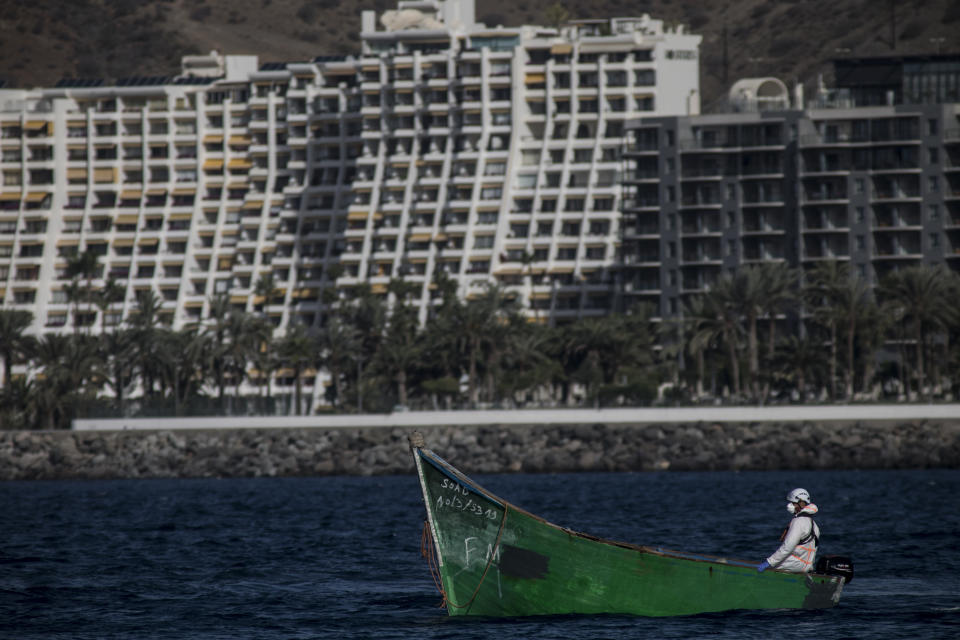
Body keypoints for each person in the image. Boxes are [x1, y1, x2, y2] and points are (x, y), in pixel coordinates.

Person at [757, 488, 820, 574]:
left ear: (800, 503)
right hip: (806, 566)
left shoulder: (798, 521)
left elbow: (787, 547)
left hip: (793, 564)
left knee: (769, 569)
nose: (789, 505)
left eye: (793, 503)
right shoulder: (814, 524)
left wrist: (769, 562)